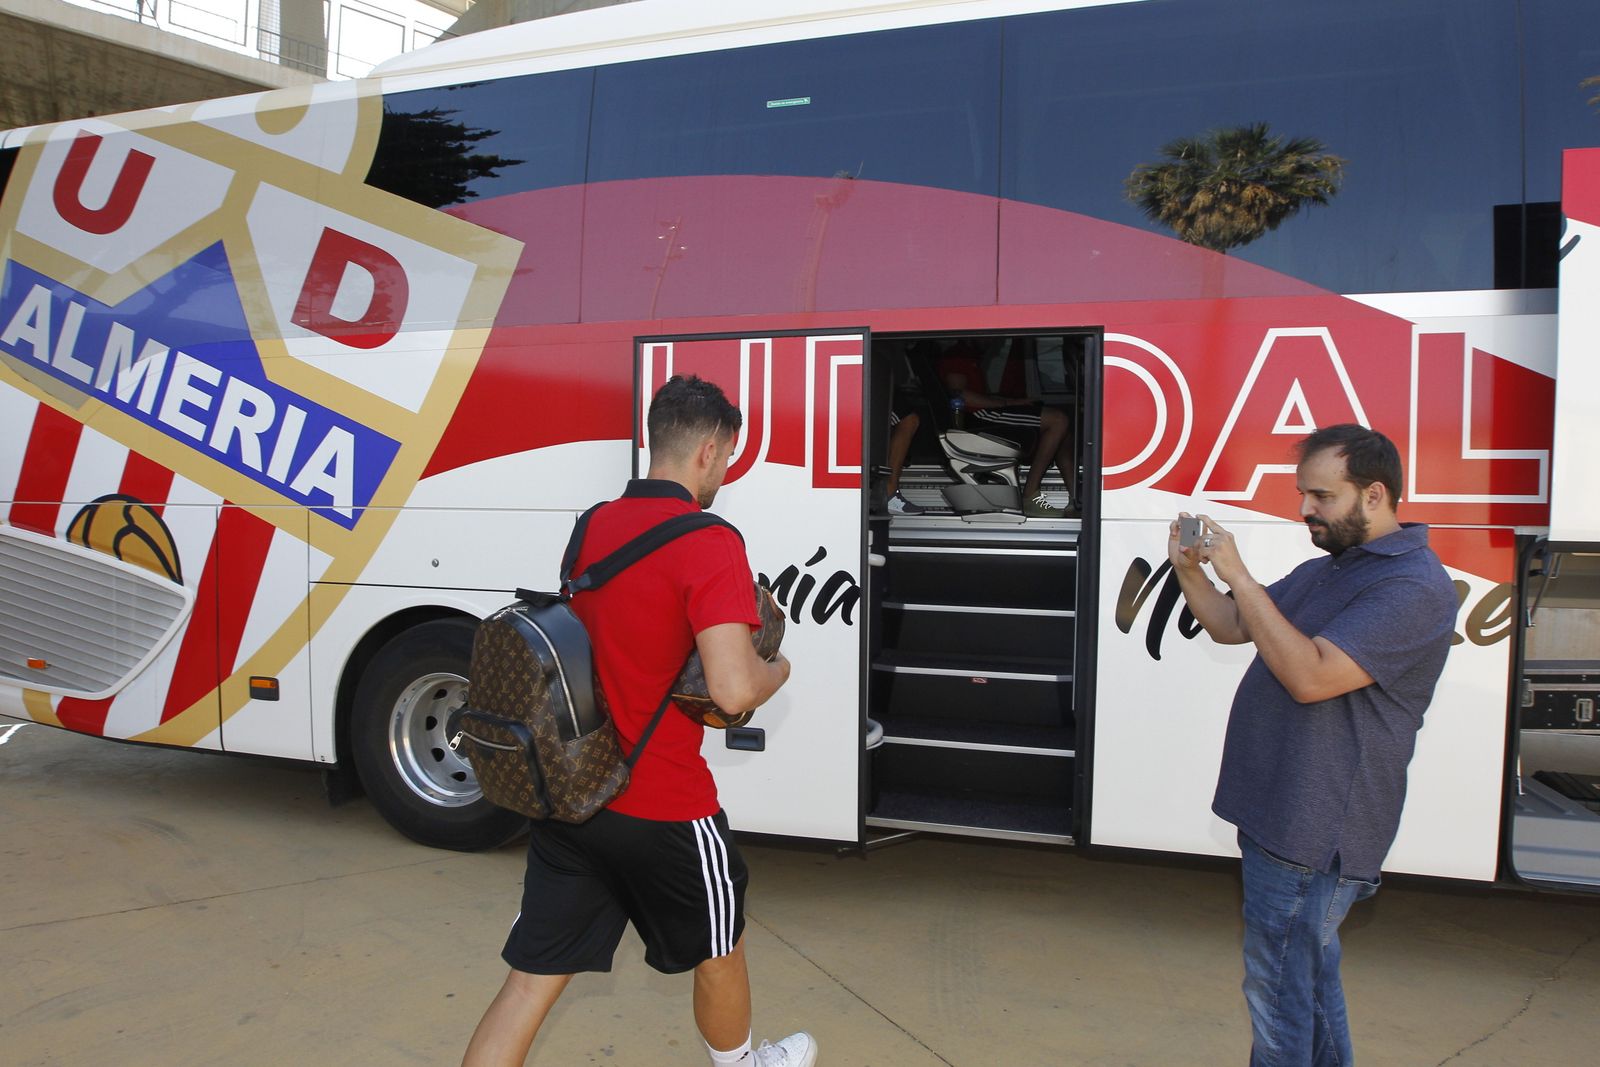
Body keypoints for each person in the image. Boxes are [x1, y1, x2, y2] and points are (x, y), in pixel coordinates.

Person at [462, 375, 815, 1067]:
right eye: (727, 457)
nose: (723, 473)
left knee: (529, 983)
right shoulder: (711, 541)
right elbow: (732, 689)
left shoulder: (593, 525)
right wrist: (780, 670)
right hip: (664, 802)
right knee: (720, 946)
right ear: (709, 450)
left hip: (575, 794)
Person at [1168, 424, 1456, 1067]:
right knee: (1309, 981)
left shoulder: (1412, 587)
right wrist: (1191, 572)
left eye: (1322, 496)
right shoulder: (1328, 569)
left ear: (1374, 494)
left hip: (1314, 829)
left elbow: (1312, 678)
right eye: (1303, 493)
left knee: (1277, 994)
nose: (1305, 509)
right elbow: (1233, 625)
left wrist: (1239, 573)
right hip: (1278, 814)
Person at [937, 338, 1075, 518]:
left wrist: (1014, 402)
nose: (997, 343)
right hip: (978, 416)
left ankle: (1075, 500)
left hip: (983, 412)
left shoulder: (971, 355)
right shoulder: (957, 356)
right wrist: (1008, 403)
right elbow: (961, 396)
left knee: (1063, 429)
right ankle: (1030, 494)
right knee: (1058, 420)